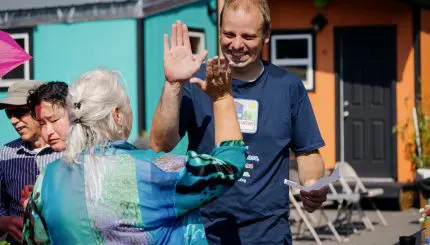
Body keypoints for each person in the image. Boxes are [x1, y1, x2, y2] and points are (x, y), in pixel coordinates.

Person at [149, 1, 329, 244]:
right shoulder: (195, 81)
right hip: (204, 231)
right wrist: (172, 85)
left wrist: (313, 183)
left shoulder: (288, 86)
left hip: (268, 233)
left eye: (247, 36)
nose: (236, 44)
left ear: (266, 35)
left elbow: (308, 153)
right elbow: (161, 143)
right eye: (228, 34)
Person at [22, 64, 247, 244]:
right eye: (127, 105)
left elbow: (35, 238)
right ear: (117, 115)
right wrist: (222, 98)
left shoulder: (47, 179)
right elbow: (229, 166)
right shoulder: (154, 171)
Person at [0, 81, 62, 244]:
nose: (13, 120)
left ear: (39, 110)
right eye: (9, 114)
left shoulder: (69, 151)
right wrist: (5, 223)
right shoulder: (5, 154)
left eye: (20, 112)